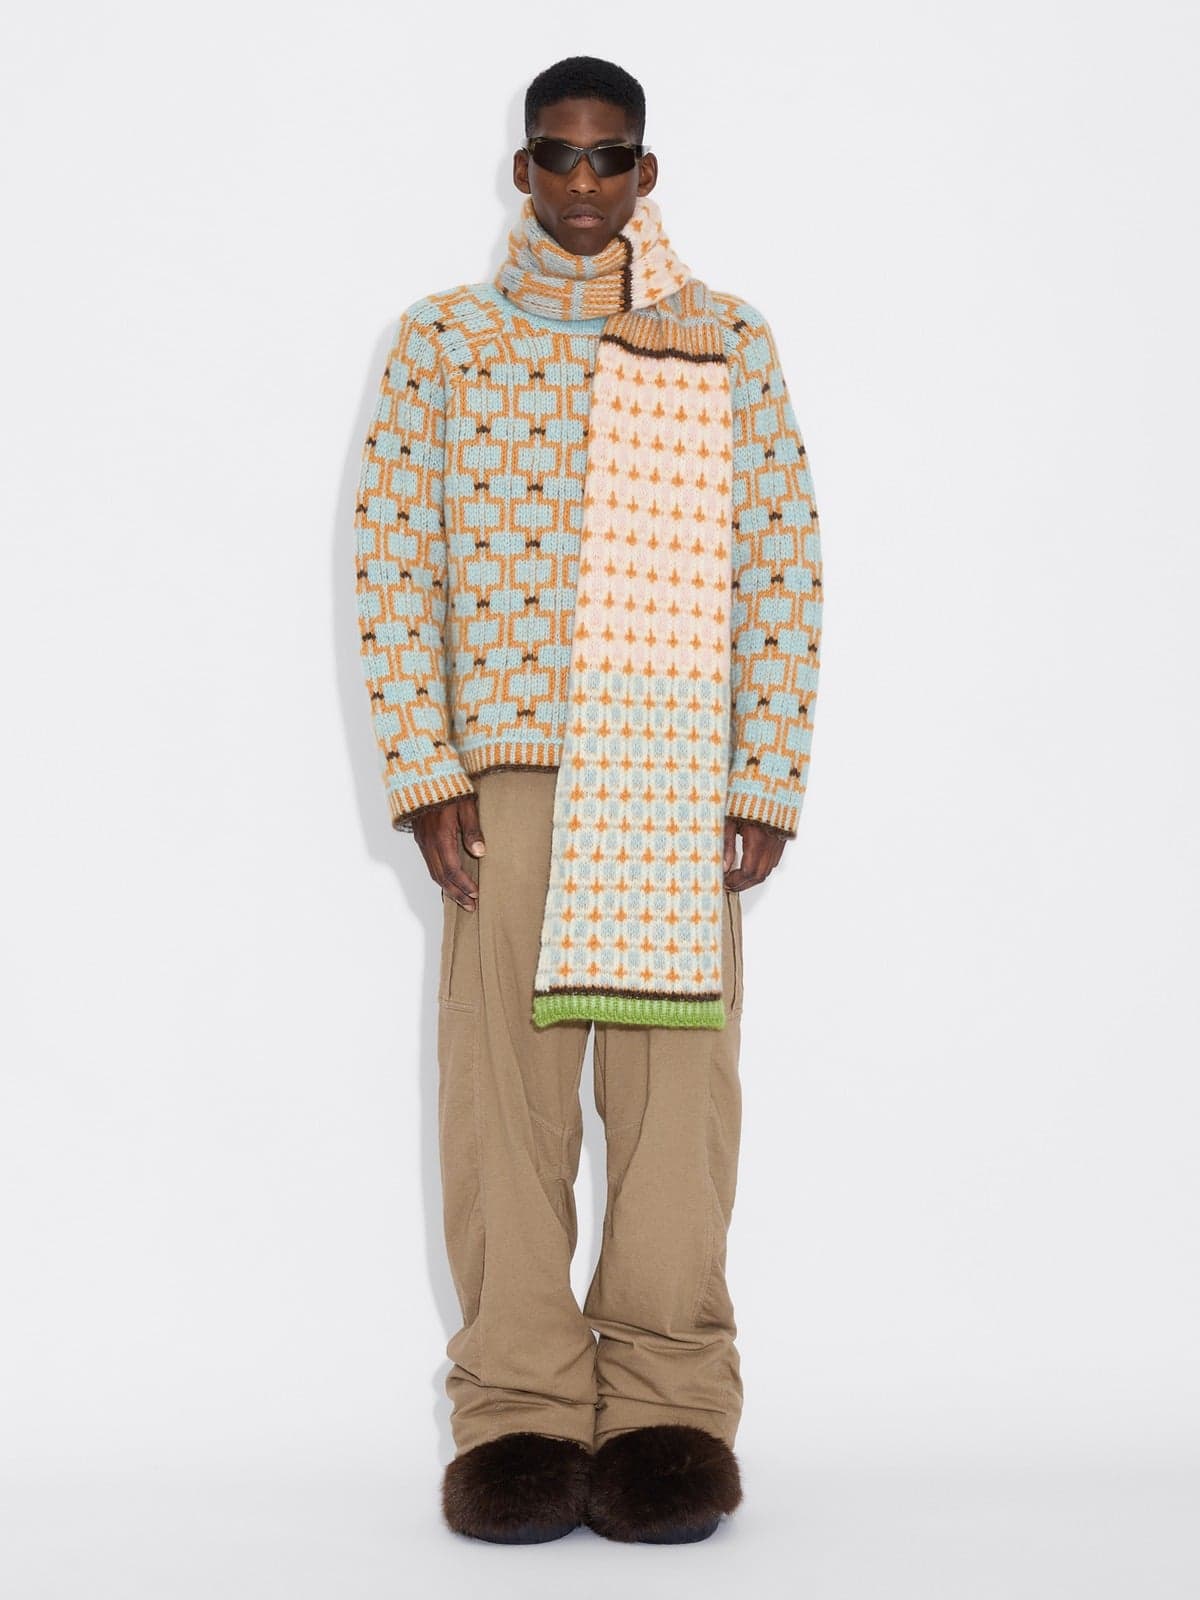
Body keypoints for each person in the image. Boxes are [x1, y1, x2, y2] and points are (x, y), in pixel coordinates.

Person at [354, 54, 823, 1545]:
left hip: (673, 769)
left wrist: (765, 773)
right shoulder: (444, 344)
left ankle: (672, 1407)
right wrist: (426, 771)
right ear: (521, 171)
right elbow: (392, 561)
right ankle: (519, 1410)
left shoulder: (722, 340)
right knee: (504, 1101)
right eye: (555, 156)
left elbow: (780, 559)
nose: (580, 183)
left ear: (645, 172)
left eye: (607, 157)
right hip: (508, 776)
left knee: (676, 1105)